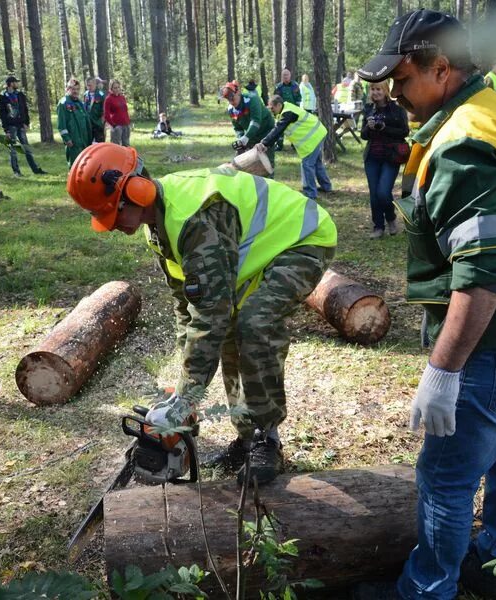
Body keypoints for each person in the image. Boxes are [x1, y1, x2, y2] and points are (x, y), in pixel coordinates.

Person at [356, 9, 496, 600]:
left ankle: (427, 589)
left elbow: (481, 275)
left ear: (441, 68)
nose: (396, 95)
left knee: (445, 480)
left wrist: (444, 371)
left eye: (402, 80)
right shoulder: (492, 107)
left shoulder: (462, 146)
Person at [66, 144, 338, 486]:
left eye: (113, 212)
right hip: (260, 251)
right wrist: (182, 391)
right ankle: (246, 437)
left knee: (254, 323)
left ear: (137, 190)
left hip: (301, 240)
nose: (113, 224)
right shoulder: (160, 226)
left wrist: (187, 396)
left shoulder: (195, 219)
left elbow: (211, 315)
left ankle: (267, 440)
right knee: (227, 332)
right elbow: (188, 305)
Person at [255, 95, 332, 201]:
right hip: (317, 133)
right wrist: (267, 143)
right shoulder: (285, 110)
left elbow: (278, 129)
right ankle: (326, 186)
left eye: (272, 108)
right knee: (317, 163)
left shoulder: (288, 113)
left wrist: (264, 143)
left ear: (279, 105)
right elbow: (277, 131)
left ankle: (310, 193)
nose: (271, 110)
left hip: (313, 138)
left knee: (307, 165)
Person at [360, 79, 410, 238]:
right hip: (372, 158)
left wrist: (384, 127)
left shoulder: (397, 109)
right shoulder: (368, 109)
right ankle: (378, 227)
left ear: (385, 90)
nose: (375, 92)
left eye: (378, 89)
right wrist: (368, 126)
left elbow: (404, 132)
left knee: (383, 192)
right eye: (373, 89)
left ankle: (391, 217)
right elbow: (363, 135)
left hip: (391, 157)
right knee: (374, 194)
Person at [220, 81, 276, 170]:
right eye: (228, 99)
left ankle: (269, 180)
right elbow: (238, 128)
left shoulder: (252, 100)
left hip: (266, 131)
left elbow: (255, 121)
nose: (231, 102)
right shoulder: (231, 110)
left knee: (267, 162)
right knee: (246, 162)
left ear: (238, 92)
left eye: (232, 98)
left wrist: (246, 137)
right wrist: (241, 139)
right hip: (251, 134)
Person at [0, 76, 45, 178]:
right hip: (11, 126)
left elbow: (25, 109)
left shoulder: (20, 95)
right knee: (13, 150)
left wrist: (26, 122)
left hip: (21, 125)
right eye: (15, 82)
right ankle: (16, 172)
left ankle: (35, 169)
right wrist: (6, 130)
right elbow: (2, 115)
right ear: (10, 84)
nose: (17, 84)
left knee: (26, 148)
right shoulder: (3, 97)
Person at [56, 78, 91, 167]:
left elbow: (86, 120)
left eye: (77, 89)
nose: (75, 91)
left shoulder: (79, 103)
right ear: (67, 89)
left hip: (84, 140)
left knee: (84, 165)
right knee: (74, 165)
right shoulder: (63, 103)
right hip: (73, 140)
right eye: (73, 89)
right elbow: (61, 124)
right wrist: (67, 139)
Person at [104, 79, 131, 147]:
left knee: (126, 145)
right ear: (111, 89)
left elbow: (125, 111)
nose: (117, 89)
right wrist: (113, 125)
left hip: (126, 124)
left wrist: (128, 121)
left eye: (118, 87)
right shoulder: (108, 99)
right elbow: (106, 115)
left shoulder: (122, 97)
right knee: (115, 146)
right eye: (115, 88)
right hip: (117, 126)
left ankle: (126, 158)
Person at [84, 76, 106, 143]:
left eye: (90, 85)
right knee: (89, 145)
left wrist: (101, 122)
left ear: (95, 84)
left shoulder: (101, 94)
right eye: (87, 86)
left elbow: (105, 110)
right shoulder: (86, 94)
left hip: (98, 124)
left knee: (99, 145)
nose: (89, 87)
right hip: (88, 124)